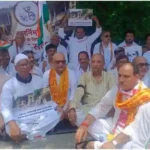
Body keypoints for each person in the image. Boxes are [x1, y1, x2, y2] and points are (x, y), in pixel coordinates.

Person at [75, 63, 150, 149]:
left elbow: (134, 127)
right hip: (114, 126)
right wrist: (84, 125)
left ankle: (95, 145)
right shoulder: (117, 89)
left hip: (132, 135)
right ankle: (107, 144)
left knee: (129, 146)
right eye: (119, 75)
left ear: (137, 77)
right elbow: (101, 107)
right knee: (86, 122)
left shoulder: (144, 97)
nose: (121, 80)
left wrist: (114, 142)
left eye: (126, 76)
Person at [0, 54, 62, 142]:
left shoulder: (39, 80)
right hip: (20, 119)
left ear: (30, 66)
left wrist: (56, 106)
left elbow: (47, 100)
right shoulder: (9, 85)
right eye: (22, 65)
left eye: (26, 64)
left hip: (38, 116)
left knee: (56, 115)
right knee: (9, 127)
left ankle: (27, 135)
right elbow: (5, 108)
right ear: (16, 68)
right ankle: (39, 132)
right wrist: (12, 124)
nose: (25, 67)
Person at [68, 54, 115, 127]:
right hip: (88, 108)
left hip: (104, 109)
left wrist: (113, 107)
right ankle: (98, 126)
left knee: (113, 114)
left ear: (103, 64)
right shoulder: (84, 76)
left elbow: (113, 93)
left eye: (98, 62)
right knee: (76, 114)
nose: (96, 64)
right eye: (93, 62)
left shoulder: (109, 76)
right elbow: (78, 92)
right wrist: (72, 108)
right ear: (90, 63)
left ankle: (90, 127)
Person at [43, 52, 77, 119]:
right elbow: (46, 96)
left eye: (63, 62)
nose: (61, 64)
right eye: (58, 62)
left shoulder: (71, 73)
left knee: (76, 115)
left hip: (68, 105)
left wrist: (68, 107)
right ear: (52, 63)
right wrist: (56, 107)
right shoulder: (46, 75)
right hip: (52, 106)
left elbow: (74, 93)